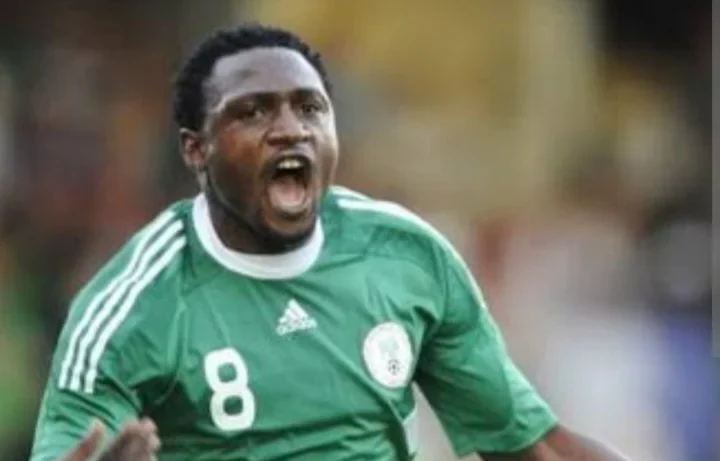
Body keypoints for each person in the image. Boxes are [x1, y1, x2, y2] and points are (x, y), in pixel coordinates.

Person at [30, 23, 631, 461]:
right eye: (254, 113)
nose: (290, 130)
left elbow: (532, 447)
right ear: (196, 149)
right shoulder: (133, 306)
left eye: (309, 108)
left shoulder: (406, 257)